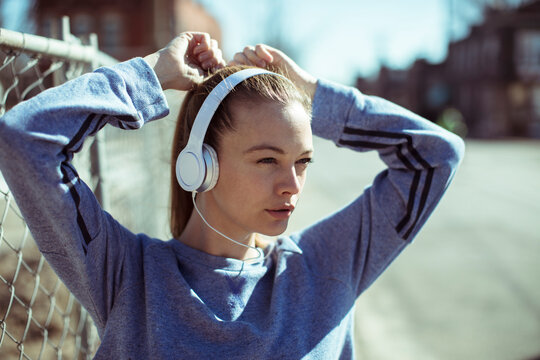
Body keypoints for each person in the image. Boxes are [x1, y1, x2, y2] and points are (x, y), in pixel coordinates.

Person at [0, 31, 464, 359]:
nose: (293, 185)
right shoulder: (129, 278)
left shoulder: (326, 266)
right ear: (198, 165)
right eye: (267, 160)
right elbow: (24, 139)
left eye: (302, 161)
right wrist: (152, 75)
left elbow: (436, 153)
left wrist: (314, 96)